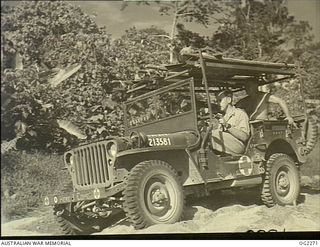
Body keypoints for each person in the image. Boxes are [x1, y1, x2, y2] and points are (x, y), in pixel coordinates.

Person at [211, 90, 250, 155]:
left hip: (237, 146)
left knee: (212, 134)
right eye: (217, 101)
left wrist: (227, 125)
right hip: (226, 145)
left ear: (229, 100)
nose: (218, 103)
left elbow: (244, 137)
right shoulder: (223, 116)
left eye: (220, 100)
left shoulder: (240, 114)